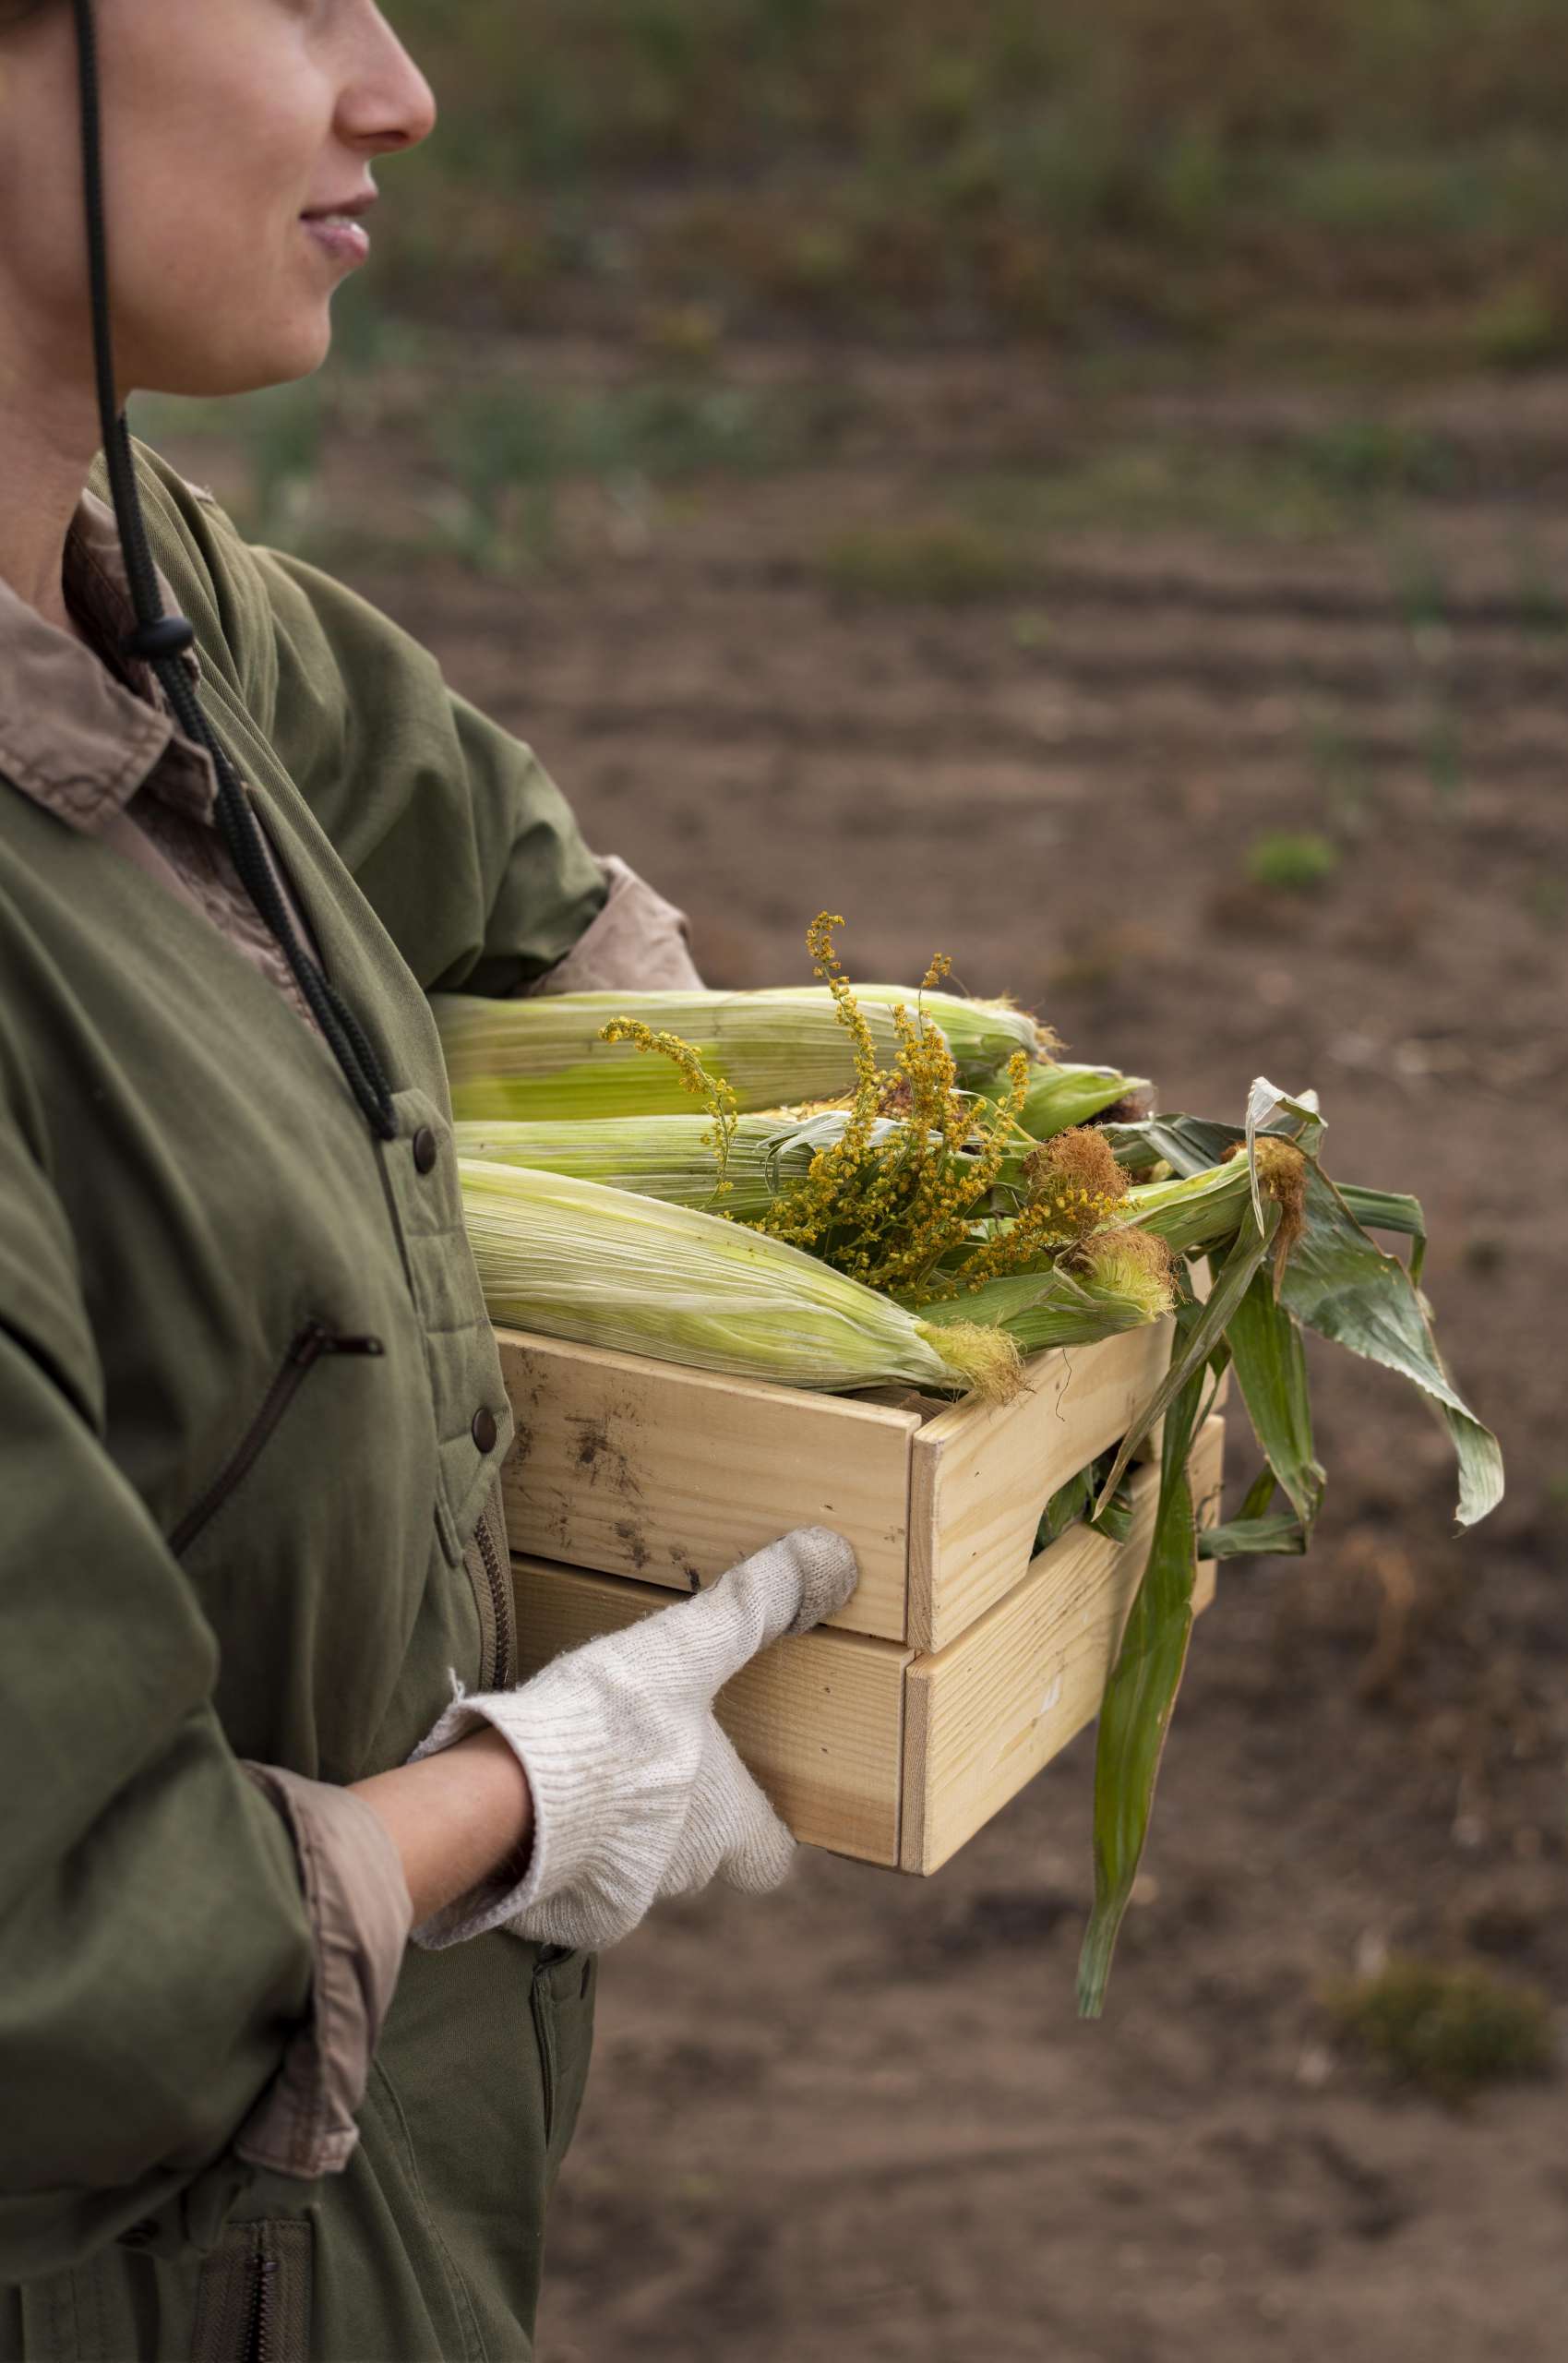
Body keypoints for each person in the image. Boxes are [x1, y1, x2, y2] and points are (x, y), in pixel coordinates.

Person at [0, 4, 859, 2357]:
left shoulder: (136, 583)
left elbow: (496, 857)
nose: (400, 91)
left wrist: (860, 1172)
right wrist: (524, 1790)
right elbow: (48, 1963)